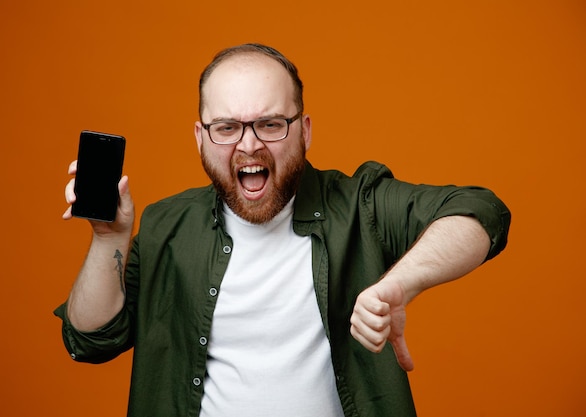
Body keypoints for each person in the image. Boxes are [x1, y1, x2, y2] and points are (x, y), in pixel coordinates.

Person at [55, 43, 511, 417]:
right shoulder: (165, 225)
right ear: (200, 138)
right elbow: (90, 340)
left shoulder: (360, 205)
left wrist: (398, 285)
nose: (248, 144)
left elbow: (481, 213)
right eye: (227, 127)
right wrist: (108, 238)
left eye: (271, 124)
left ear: (304, 130)